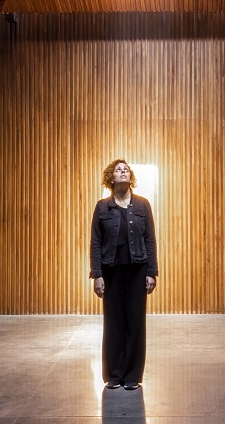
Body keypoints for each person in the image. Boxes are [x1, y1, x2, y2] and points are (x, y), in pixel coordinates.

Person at [90, 159, 158, 390]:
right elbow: (95, 242)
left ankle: (132, 375)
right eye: (118, 169)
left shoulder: (143, 205)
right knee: (114, 322)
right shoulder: (102, 207)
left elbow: (150, 239)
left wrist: (152, 272)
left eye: (126, 169)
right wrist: (97, 274)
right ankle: (114, 374)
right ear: (111, 177)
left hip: (138, 269)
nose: (123, 172)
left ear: (130, 177)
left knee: (136, 321)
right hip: (111, 270)